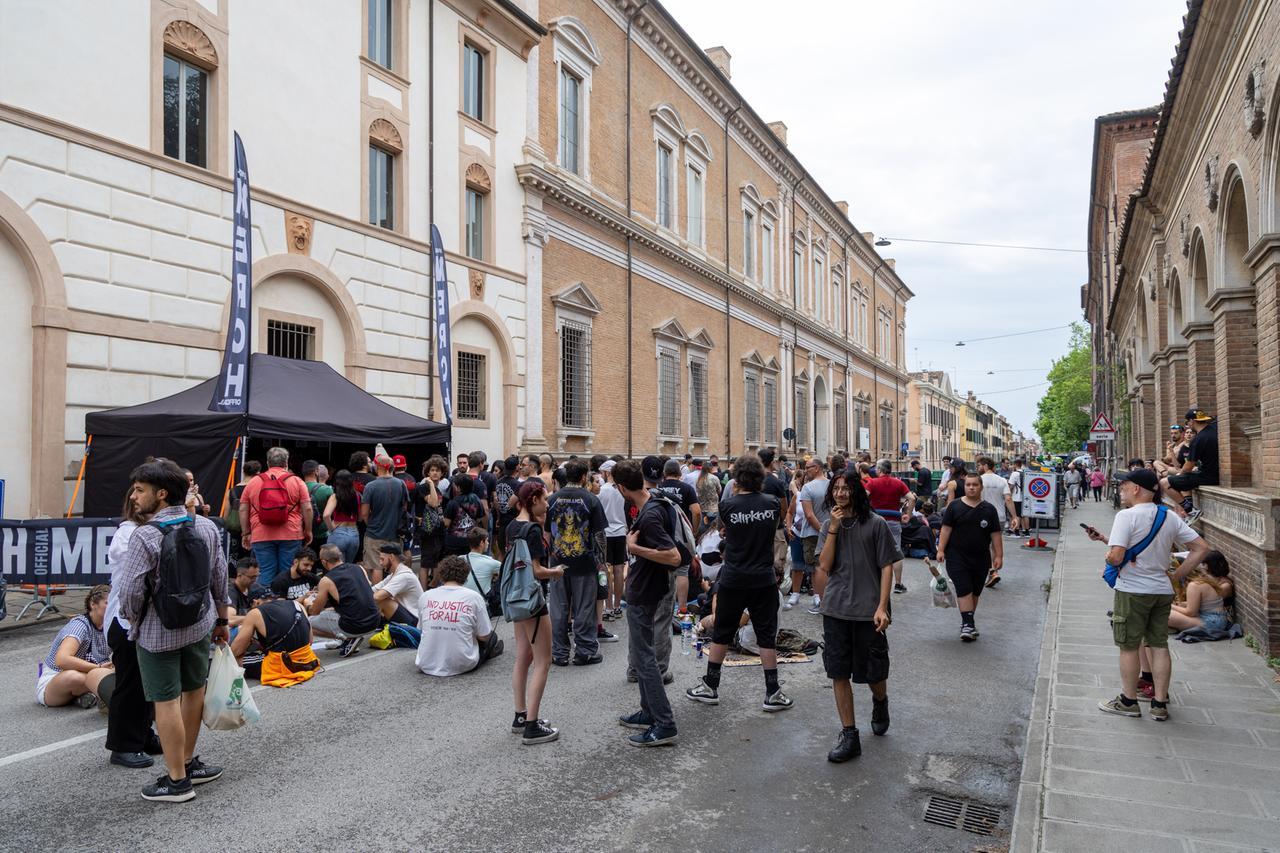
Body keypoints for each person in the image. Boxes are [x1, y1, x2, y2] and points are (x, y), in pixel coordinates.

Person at [117, 459, 229, 803]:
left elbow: (131, 592)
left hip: (157, 632)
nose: (134, 497)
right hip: (199, 624)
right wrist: (222, 621)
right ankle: (188, 762)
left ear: (161, 494)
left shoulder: (145, 535)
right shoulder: (207, 527)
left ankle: (177, 781)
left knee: (164, 701)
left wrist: (133, 622)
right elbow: (219, 578)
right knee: (193, 691)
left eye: (140, 490)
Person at [1084, 468, 1210, 722]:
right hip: (1161, 591)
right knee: (1159, 645)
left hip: (1132, 590)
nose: (1120, 489)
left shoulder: (1126, 516)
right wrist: (1175, 577)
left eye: (1124, 485)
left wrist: (1109, 554)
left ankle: (1129, 701)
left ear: (1136, 489)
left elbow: (1117, 556)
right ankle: (1159, 703)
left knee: (1129, 646)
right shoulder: (1169, 516)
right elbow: (1200, 548)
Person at [686, 455, 792, 714]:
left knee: (722, 630)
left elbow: (726, 533)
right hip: (763, 578)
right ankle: (772, 692)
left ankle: (711, 686)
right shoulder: (770, 503)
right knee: (767, 635)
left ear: (737, 479)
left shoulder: (729, 506)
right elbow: (774, 526)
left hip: (734, 577)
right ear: (759, 477)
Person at [815, 472, 897, 762]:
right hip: (836, 608)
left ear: (856, 491)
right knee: (838, 671)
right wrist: (834, 528)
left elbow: (887, 566)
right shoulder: (828, 525)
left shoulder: (875, 524)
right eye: (836, 489)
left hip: (868, 610)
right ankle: (850, 735)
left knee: (874, 672)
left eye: (846, 488)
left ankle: (880, 700)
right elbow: (824, 565)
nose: (840, 493)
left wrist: (882, 606)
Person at [613, 459, 682, 747]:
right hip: (647, 588)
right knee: (644, 658)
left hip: (646, 591)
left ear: (620, 487)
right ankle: (647, 710)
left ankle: (664, 723)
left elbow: (673, 556)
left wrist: (633, 547)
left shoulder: (651, 514)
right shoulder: (654, 502)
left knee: (645, 659)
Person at [104, 492, 162, 768]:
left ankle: (142, 734)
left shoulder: (146, 531)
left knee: (145, 684)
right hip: (126, 620)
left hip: (143, 621)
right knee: (130, 685)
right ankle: (123, 745)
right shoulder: (128, 534)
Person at [506, 480, 563, 744]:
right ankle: (532, 726)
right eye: (544, 498)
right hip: (533, 599)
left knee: (523, 657)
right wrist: (557, 572)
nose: (548, 503)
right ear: (534, 500)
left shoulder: (511, 526)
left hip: (516, 599)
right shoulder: (531, 531)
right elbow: (537, 570)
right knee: (543, 661)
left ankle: (521, 714)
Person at [545, 459, 607, 666]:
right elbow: (599, 534)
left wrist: (553, 555)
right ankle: (585, 651)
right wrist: (602, 561)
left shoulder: (553, 499)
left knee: (559, 609)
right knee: (584, 608)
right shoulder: (591, 499)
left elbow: (547, 533)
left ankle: (559, 653)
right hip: (584, 562)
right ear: (583, 477)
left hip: (557, 562)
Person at [936, 472, 1002, 642]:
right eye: (968, 485)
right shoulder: (954, 507)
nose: (971, 487)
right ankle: (968, 624)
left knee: (975, 591)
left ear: (981, 487)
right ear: (964, 487)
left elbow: (995, 534)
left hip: (981, 557)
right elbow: (946, 529)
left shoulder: (989, 509)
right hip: (957, 556)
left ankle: (968, 622)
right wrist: (941, 550)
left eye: (975, 485)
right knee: (964, 587)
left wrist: (999, 556)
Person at [415, 555, 504, 677]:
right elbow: (484, 636)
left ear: (441, 574)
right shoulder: (474, 597)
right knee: (492, 636)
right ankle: (487, 653)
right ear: (465, 575)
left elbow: (421, 629)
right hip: (463, 664)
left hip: (426, 663)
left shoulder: (425, 596)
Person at [239, 446, 313, 588]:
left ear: (268, 463)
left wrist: (246, 532)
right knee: (288, 571)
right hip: (291, 533)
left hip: (261, 534)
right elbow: (307, 508)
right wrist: (308, 530)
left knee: (265, 571)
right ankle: (284, 605)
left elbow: (243, 509)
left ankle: (265, 604)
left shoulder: (253, 482)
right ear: (286, 463)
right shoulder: (297, 481)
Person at [35, 584, 113, 708]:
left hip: (93, 673)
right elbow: (62, 660)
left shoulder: (110, 626)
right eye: (107, 603)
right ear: (93, 604)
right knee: (74, 677)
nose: (112, 607)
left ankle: (88, 696)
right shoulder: (80, 624)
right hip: (56, 680)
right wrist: (97, 668)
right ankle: (98, 693)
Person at [307, 544, 382, 658]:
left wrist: (307, 605)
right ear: (340, 556)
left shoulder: (326, 580)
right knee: (329, 612)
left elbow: (314, 611)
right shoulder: (359, 568)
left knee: (306, 623)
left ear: (323, 562)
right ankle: (349, 638)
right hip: (375, 621)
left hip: (354, 626)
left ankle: (347, 638)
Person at [228, 596, 318, 688]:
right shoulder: (297, 605)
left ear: (256, 602)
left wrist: (250, 642)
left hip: (283, 666)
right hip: (308, 661)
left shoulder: (254, 613)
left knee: (237, 659)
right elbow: (310, 640)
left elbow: (236, 651)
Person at [656, 458, 702, 612]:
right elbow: (696, 511)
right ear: (679, 472)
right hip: (681, 534)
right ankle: (682, 608)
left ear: (664, 473)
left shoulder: (658, 488)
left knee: (662, 570)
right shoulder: (686, 488)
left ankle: (662, 607)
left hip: (661, 534)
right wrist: (693, 530)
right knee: (682, 570)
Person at [1162, 408, 1218, 520]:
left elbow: (1188, 467)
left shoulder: (1198, 439)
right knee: (1183, 480)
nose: (1188, 426)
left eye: (1187, 423)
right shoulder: (1214, 430)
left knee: (1164, 483)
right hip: (1218, 473)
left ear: (1192, 421)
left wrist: (1179, 475)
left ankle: (1191, 511)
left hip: (1209, 476)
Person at [789, 456, 830, 611]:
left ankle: (822, 603)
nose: (805, 471)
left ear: (817, 468)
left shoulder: (808, 488)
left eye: (808, 468)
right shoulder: (832, 485)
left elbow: (809, 515)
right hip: (831, 532)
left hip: (813, 533)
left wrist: (821, 531)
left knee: (816, 568)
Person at [865, 460, 910, 595]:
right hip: (894, 521)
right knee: (896, 553)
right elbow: (911, 497)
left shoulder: (872, 483)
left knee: (873, 550)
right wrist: (907, 515)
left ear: (879, 469)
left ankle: (873, 581)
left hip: (875, 521)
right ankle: (897, 584)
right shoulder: (899, 483)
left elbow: (864, 497)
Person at [361, 454, 409, 582]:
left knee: (376, 565)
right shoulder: (401, 484)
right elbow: (404, 507)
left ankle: (377, 597)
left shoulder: (370, 486)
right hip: (395, 533)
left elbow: (364, 513)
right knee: (394, 566)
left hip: (374, 533)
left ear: (378, 467)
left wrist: (370, 524)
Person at [1169, 550, 1233, 633]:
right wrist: (1183, 604)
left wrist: (1171, 606)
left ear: (1206, 566)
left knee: (1163, 612)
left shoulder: (1224, 584)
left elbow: (1192, 611)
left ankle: (1175, 626)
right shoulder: (1203, 582)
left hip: (1213, 620)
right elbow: (1206, 602)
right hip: (1208, 615)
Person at [598, 460, 629, 620]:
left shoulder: (602, 491)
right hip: (620, 532)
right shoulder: (622, 490)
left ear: (607, 473)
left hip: (606, 534)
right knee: (618, 569)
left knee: (606, 570)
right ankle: (617, 606)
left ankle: (608, 606)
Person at [417, 456, 451, 588]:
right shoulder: (424, 487)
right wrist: (430, 483)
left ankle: (432, 586)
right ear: (427, 473)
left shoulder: (437, 489)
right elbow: (434, 503)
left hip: (439, 529)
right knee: (426, 563)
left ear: (442, 473)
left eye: (438, 470)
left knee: (439, 562)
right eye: (432, 470)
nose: (435, 473)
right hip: (427, 530)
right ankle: (423, 591)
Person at [372, 543, 425, 626]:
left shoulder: (404, 576)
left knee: (383, 600)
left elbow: (376, 597)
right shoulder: (394, 574)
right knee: (381, 598)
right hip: (407, 614)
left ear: (391, 557)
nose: (380, 563)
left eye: (382, 559)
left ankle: (369, 625)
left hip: (415, 621)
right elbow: (373, 590)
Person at [322, 469, 365, 564]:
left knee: (336, 567)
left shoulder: (335, 496)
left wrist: (331, 528)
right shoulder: (358, 496)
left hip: (338, 533)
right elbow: (361, 518)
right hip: (354, 534)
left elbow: (326, 515)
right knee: (348, 566)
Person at [443, 473, 487, 557]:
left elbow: (446, 523)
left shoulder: (452, 502)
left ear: (459, 488)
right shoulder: (476, 499)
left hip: (454, 541)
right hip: (471, 540)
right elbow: (480, 519)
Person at [493, 455, 523, 559]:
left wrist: (498, 516)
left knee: (502, 552)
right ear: (517, 467)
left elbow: (495, 501)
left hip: (502, 520)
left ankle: (501, 573)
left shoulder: (498, 482)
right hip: (514, 521)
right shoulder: (518, 485)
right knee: (514, 553)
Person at [302, 461, 332, 552]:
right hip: (321, 533)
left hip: (301, 532)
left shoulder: (296, 487)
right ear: (316, 472)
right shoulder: (327, 490)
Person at [228, 556, 267, 624]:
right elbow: (230, 619)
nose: (255, 580)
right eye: (252, 577)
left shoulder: (256, 587)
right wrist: (255, 615)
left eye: (257, 576)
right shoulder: (230, 591)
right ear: (239, 575)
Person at [463, 528, 502, 595]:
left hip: (461, 600)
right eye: (487, 540)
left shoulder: (459, 559)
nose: (488, 543)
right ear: (481, 543)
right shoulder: (492, 563)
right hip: (481, 602)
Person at [695, 462, 722, 535]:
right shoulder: (714, 478)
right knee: (713, 531)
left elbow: (697, 492)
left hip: (702, 508)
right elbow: (719, 491)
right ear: (710, 468)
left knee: (703, 531)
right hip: (713, 508)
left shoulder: (699, 479)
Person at [1007, 459, 1026, 537]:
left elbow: (1011, 486)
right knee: (1019, 515)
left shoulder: (1014, 474)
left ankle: (1016, 532)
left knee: (1015, 515)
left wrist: (1008, 495)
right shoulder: (1024, 473)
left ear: (1015, 464)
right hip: (1023, 497)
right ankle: (1014, 530)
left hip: (1015, 497)